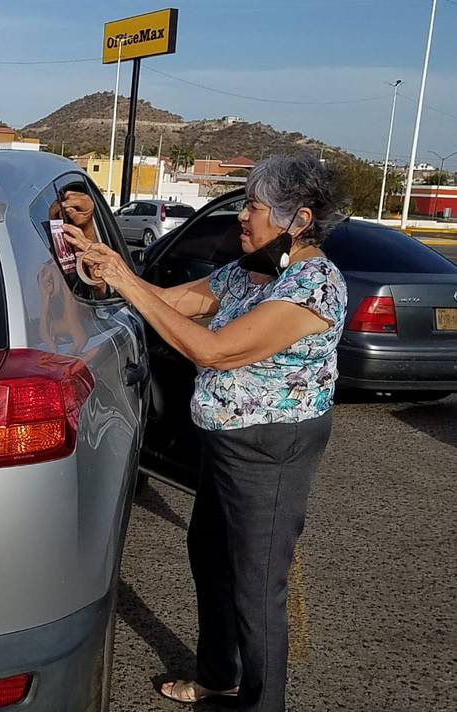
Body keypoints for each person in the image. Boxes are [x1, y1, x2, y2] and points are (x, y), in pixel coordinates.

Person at [64, 154, 347, 712]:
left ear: (299, 218)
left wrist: (124, 279)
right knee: (211, 557)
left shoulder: (313, 285)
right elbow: (169, 302)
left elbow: (212, 348)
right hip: (226, 443)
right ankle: (220, 676)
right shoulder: (250, 273)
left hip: (272, 451)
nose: (243, 217)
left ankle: (263, 703)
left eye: (255, 208)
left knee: (257, 588)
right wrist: (99, 250)